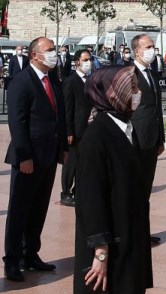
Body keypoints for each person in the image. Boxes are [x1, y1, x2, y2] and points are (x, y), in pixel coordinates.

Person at [74, 66, 153, 294]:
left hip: (122, 245)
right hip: (104, 254)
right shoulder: (97, 138)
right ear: (112, 93)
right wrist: (100, 253)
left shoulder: (123, 129)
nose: (137, 94)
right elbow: (92, 201)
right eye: (132, 88)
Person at [3, 37, 68, 282]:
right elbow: (17, 124)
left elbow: (59, 116)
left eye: (54, 50)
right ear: (34, 56)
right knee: (19, 210)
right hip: (28, 158)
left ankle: (31, 254)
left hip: (49, 156)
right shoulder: (21, 82)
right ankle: (12, 261)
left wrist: (63, 147)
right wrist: (24, 156)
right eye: (49, 50)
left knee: (39, 208)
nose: (54, 54)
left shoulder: (53, 80)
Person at [131, 34, 166, 243]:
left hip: (151, 141)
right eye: (148, 46)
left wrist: (160, 138)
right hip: (135, 139)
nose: (152, 50)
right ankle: (131, 233)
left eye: (153, 46)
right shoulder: (129, 73)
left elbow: (156, 109)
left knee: (145, 188)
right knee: (132, 188)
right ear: (137, 51)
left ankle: (142, 231)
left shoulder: (151, 74)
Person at [60, 49, 93, 207]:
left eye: (90, 59)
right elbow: (67, 108)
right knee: (71, 163)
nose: (89, 62)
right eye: (85, 59)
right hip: (76, 129)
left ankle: (78, 190)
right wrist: (69, 131)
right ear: (77, 62)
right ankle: (66, 192)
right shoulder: (70, 81)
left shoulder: (90, 80)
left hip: (89, 128)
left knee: (84, 162)